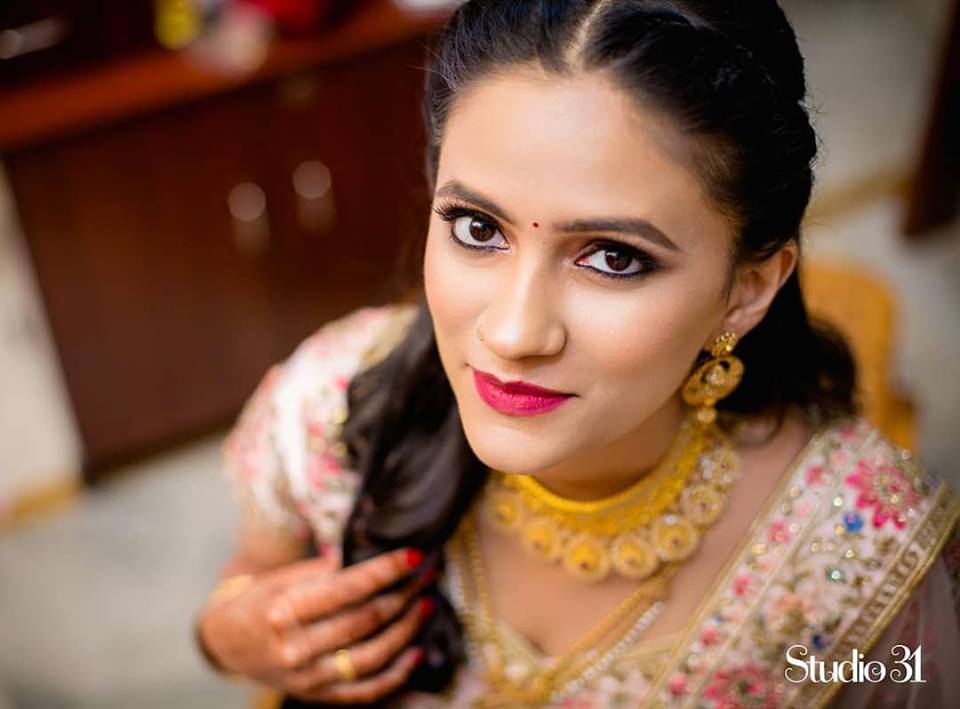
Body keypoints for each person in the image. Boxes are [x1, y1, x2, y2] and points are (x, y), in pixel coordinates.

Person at [194, 1, 960, 706]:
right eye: (477, 228)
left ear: (746, 290)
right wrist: (229, 637)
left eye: (613, 258)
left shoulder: (865, 562)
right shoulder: (334, 402)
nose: (513, 332)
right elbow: (251, 581)